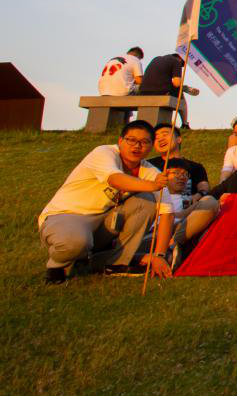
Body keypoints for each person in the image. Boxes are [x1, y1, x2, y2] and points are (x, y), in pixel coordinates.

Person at [38, 120, 175, 282]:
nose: (137, 146)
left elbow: (167, 212)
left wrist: (159, 255)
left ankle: (115, 264)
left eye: (144, 142)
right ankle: (56, 268)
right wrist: (152, 185)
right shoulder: (104, 153)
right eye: (131, 140)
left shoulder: (150, 171)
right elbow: (115, 179)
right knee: (75, 242)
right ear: (120, 141)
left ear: (151, 146)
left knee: (146, 201)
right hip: (67, 215)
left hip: (104, 222)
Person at [146, 124, 219, 249]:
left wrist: (198, 196)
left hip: (185, 219)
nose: (160, 139)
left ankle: (174, 243)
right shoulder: (148, 165)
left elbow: (204, 189)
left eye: (165, 134)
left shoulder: (195, 167)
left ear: (179, 139)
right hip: (157, 218)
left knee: (210, 203)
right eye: (156, 137)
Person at [138, 52, 199, 126]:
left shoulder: (156, 59)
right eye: (182, 65)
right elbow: (177, 83)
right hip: (160, 92)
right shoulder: (176, 61)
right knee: (180, 95)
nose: (181, 67)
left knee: (176, 89)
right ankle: (185, 124)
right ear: (180, 59)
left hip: (143, 92)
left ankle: (185, 88)